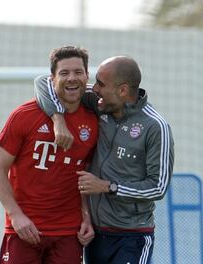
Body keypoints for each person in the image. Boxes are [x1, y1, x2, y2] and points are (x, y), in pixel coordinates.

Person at [34, 55, 174, 263]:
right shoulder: (100, 104)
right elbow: (42, 82)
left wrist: (109, 187)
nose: (94, 89)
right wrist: (58, 119)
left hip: (132, 236)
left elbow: (158, 187)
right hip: (96, 235)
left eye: (100, 84)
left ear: (122, 90)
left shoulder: (155, 127)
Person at [0, 46, 97, 264]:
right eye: (64, 73)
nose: (72, 79)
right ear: (52, 78)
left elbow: (85, 175)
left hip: (69, 232)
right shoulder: (24, 115)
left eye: (78, 72)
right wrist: (16, 216)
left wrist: (87, 217)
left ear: (86, 76)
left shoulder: (94, 121)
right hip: (24, 229)